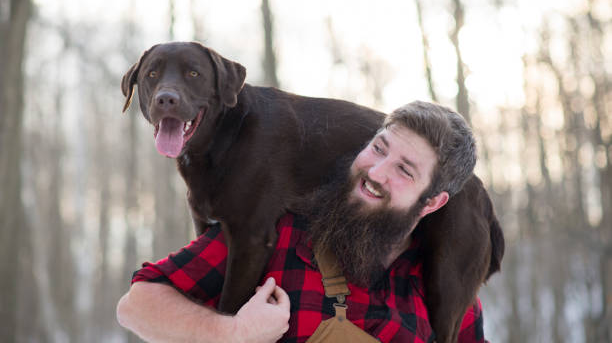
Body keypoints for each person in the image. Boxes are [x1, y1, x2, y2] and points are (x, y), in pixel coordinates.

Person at [117, 101, 488, 342]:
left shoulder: (447, 291)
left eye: (404, 170)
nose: (375, 172)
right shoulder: (277, 232)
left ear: (433, 201)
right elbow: (137, 304)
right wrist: (233, 332)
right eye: (378, 148)